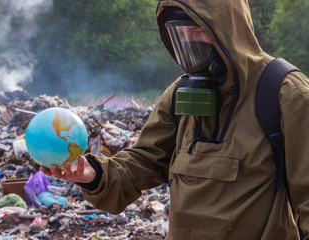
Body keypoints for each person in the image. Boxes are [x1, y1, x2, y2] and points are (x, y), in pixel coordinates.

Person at [40, 0, 309, 239]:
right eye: (180, 34)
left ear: (228, 28)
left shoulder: (286, 94)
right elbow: (144, 161)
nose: (189, 42)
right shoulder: (180, 93)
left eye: (197, 30)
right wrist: (92, 174)